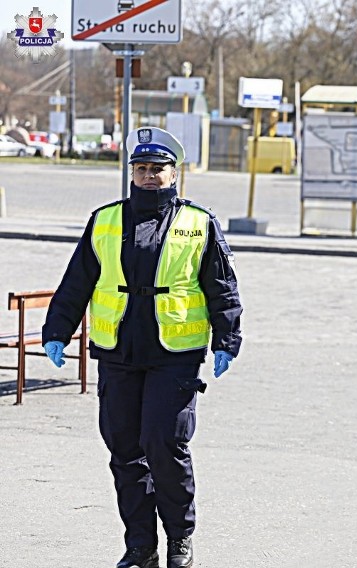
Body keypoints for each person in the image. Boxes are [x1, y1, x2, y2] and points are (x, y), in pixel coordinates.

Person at [42, 127, 243, 568]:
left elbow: (222, 287)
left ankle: (179, 540)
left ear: (175, 174)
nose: (149, 176)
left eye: (158, 169)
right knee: (124, 450)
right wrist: (57, 329)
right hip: (118, 353)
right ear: (131, 173)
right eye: (142, 169)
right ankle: (140, 547)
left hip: (174, 354)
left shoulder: (198, 223)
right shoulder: (105, 220)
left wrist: (227, 338)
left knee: (164, 445)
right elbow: (78, 281)